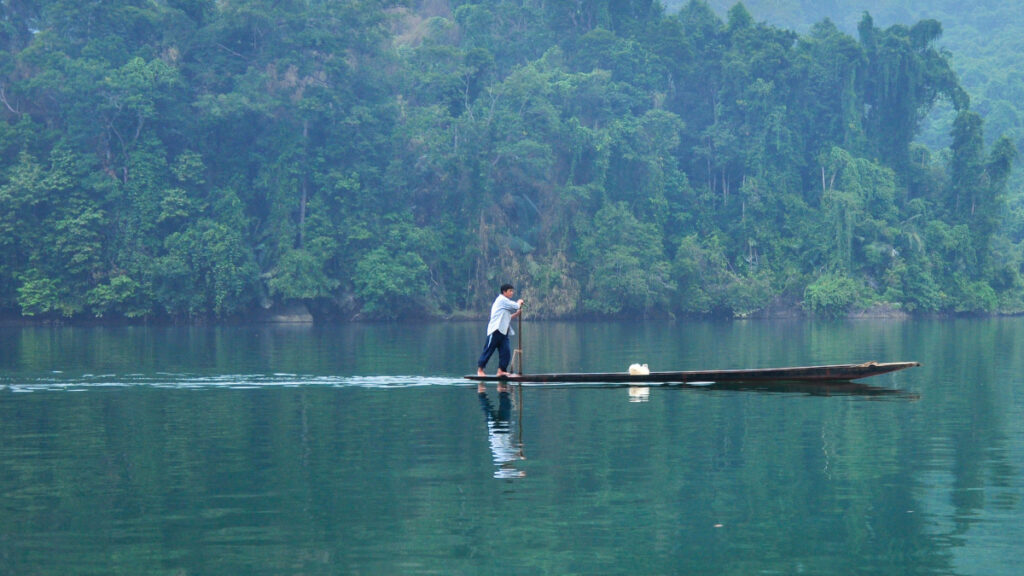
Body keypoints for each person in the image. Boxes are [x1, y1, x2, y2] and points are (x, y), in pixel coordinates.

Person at [475, 283, 524, 386]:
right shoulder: (501, 300)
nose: (512, 293)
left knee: (506, 352)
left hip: (504, 332)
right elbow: (515, 305)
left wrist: (516, 314)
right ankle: (480, 370)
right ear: (504, 292)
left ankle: (501, 371)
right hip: (495, 330)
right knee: (488, 350)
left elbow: (507, 317)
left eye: (512, 291)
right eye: (510, 291)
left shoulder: (505, 304)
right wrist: (519, 302)